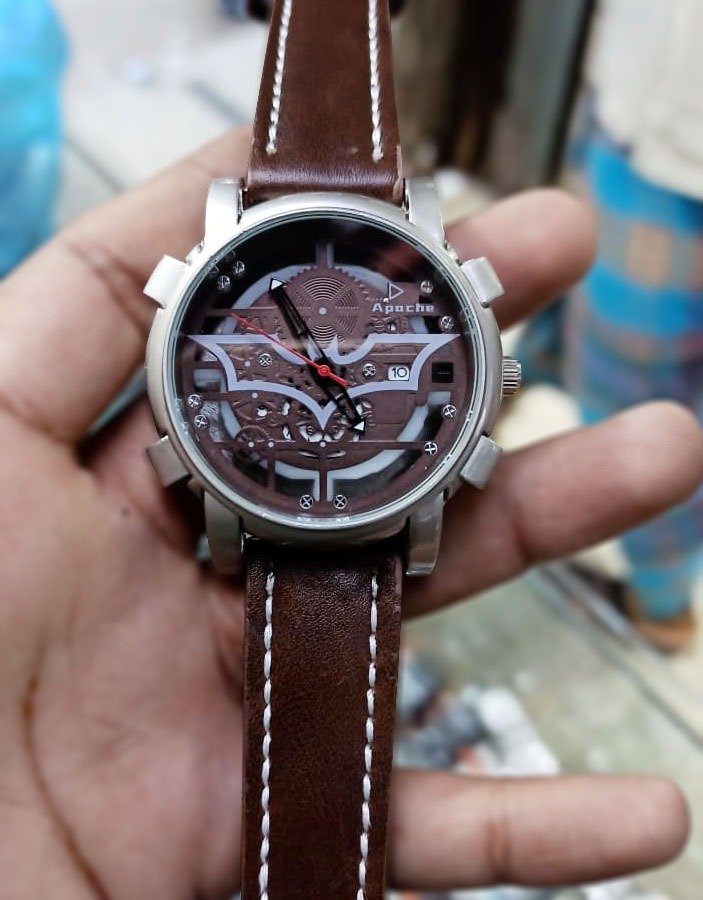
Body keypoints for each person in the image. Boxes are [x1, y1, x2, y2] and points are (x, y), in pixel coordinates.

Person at [0, 127, 700, 896]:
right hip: (258, 503)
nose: (330, 374)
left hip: (364, 499)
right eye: (318, 366)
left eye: (342, 369)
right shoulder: (241, 256)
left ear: (489, 377)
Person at [516, 0, 703, 652]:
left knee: (639, 416)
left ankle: (661, 605)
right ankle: (488, 399)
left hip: (675, 156)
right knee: (566, 289)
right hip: (639, 95)